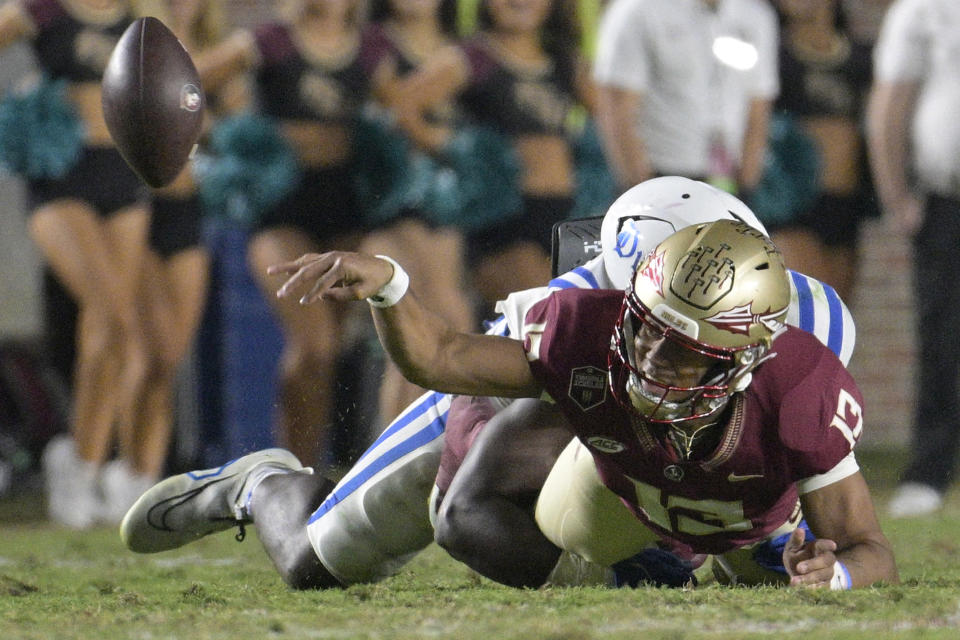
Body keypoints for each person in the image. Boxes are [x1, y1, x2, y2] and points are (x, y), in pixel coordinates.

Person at [118, 177, 868, 590]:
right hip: (531, 416)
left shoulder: (810, 341)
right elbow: (467, 489)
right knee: (320, 560)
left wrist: (805, 555)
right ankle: (261, 485)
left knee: (763, 559)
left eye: (688, 335)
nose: (654, 346)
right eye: (646, 319)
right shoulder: (575, 330)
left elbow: (827, 502)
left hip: (645, 458)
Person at [193, 0, 372, 470]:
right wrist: (221, 135)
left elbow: (404, 110)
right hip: (280, 209)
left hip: (349, 210)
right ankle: (288, 470)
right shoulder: (270, 41)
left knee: (331, 355)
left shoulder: (372, 48)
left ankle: (316, 473)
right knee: (313, 346)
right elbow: (184, 84)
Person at [0, 0, 158, 528]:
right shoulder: (43, 9)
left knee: (113, 329)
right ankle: (74, 459)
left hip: (124, 171)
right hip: (60, 171)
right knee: (112, 314)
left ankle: (83, 465)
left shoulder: (140, 13)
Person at [393, 0, 599, 314]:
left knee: (567, 329)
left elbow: (615, 117)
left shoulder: (565, 63)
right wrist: (452, 147)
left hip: (565, 218)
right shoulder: (474, 58)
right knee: (544, 319)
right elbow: (402, 106)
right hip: (505, 221)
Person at [355, 0, 477, 422]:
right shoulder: (371, 44)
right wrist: (446, 144)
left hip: (445, 210)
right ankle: (386, 463)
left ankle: (434, 458)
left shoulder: (463, 48)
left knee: (451, 321)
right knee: (413, 325)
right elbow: (393, 113)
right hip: (386, 206)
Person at [867, 0, 960, 518]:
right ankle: (928, 471)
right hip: (949, 199)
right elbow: (892, 99)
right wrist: (896, 193)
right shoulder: (924, 8)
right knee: (942, 338)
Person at [592, 0, 777, 195]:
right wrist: (641, 189)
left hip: (728, 177)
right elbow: (617, 104)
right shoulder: (636, 9)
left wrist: (747, 186)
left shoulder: (756, 14)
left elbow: (758, 104)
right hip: (662, 175)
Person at [762, 0, 874, 304]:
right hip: (794, 205)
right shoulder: (771, 56)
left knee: (838, 315)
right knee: (807, 308)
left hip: (844, 203)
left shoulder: (862, 58)